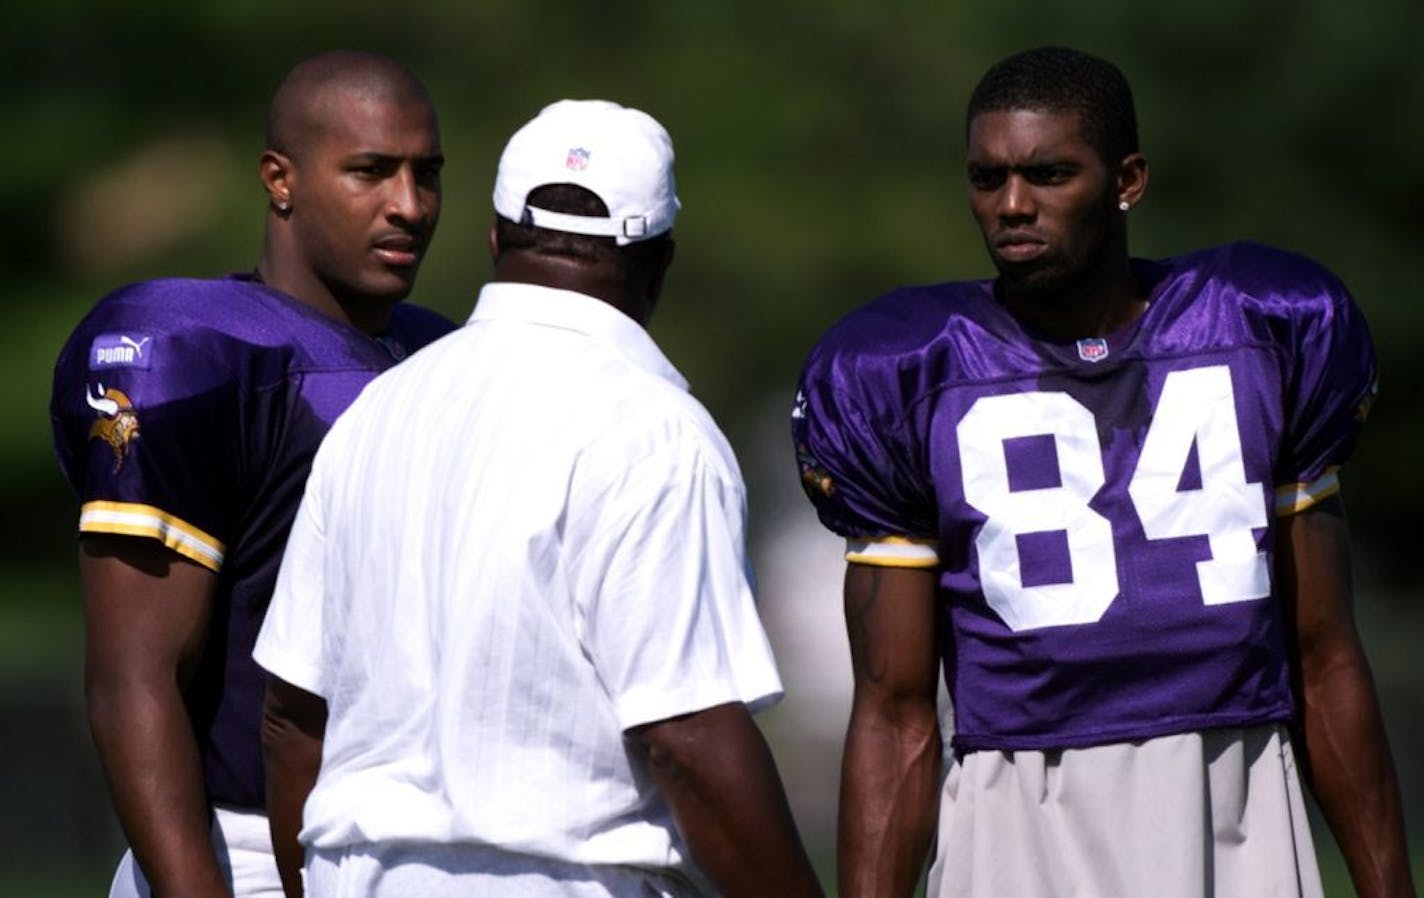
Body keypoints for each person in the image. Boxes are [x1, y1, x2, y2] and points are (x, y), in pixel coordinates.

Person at [791, 46, 1415, 898]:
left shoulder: (1264, 326)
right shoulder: (905, 370)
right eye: (987, 177)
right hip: (1022, 807)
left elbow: (1325, 655)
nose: (1012, 205)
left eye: (1048, 174)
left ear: (1127, 180)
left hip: (1233, 790)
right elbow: (894, 714)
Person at [254, 98, 824, 898]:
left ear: (495, 239)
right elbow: (687, 737)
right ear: (659, 260)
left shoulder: (376, 412)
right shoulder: (655, 429)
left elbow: (291, 717)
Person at [49, 50, 453, 898]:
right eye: (371, 172)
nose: (408, 206)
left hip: (430, 843)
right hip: (246, 851)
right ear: (281, 178)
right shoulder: (188, 350)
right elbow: (135, 676)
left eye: (427, 175)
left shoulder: (445, 354)